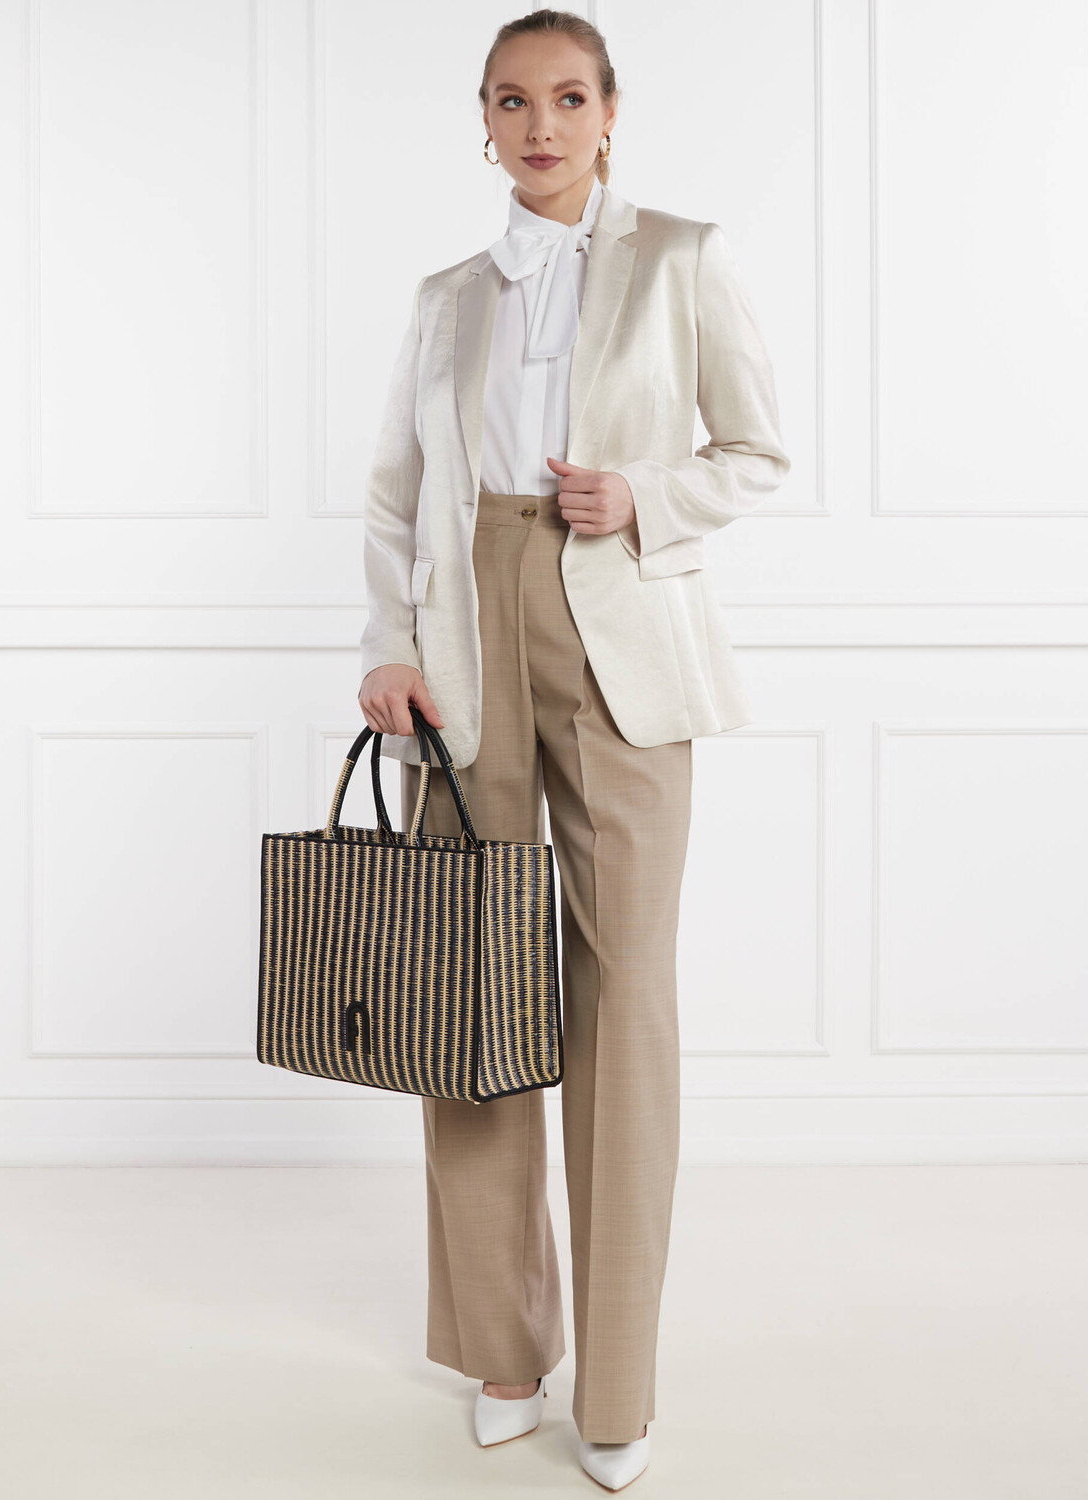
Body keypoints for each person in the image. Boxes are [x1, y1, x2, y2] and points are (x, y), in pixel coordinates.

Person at [357, 9, 789, 1490]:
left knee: (624, 1001)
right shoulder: (445, 298)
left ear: (610, 113)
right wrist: (389, 645)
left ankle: (617, 1383)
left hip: (621, 635)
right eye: (509, 101)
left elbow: (756, 452)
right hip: (464, 636)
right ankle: (502, 1347)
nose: (538, 125)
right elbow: (396, 494)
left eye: (564, 97)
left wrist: (644, 496)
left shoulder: (681, 259)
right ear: (482, 123)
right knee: (470, 984)